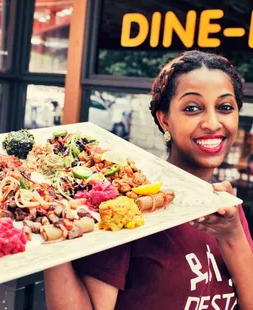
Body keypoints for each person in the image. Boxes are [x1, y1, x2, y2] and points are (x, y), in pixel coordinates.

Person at [43, 50, 253, 310]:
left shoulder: (227, 206)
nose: (212, 123)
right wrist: (51, 224)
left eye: (224, 107)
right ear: (165, 120)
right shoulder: (129, 206)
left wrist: (232, 235)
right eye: (192, 108)